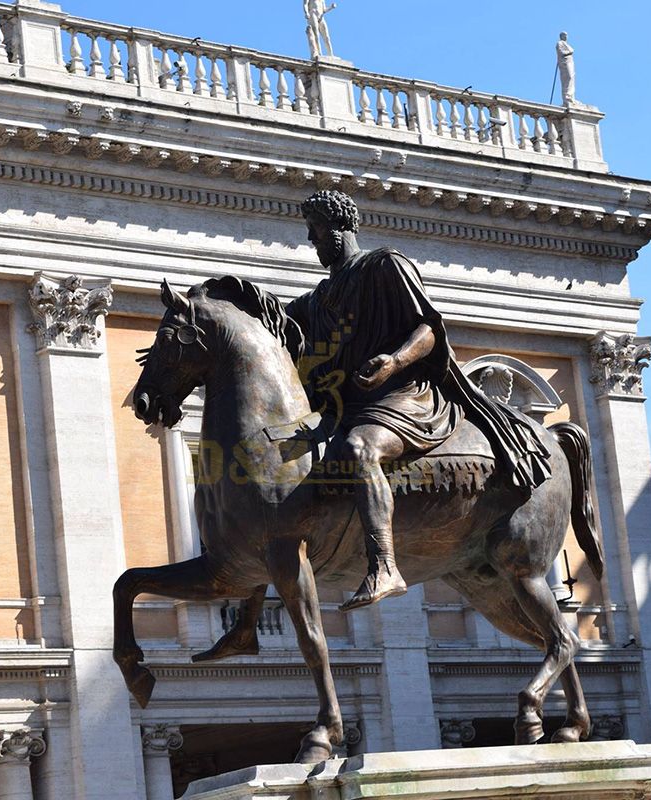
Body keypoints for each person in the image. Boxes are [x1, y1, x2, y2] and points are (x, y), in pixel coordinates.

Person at [192, 191, 552, 660]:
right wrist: (213, 305)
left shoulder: (386, 266)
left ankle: (386, 566)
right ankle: (247, 624)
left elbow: (428, 331)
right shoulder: (318, 298)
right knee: (270, 488)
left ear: (338, 229)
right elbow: (274, 323)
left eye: (317, 233)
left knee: (361, 449)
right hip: (347, 406)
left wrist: (392, 362)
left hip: (403, 397)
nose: (313, 243)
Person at [556, 32, 575, 105]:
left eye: (567, 35)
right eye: (565, 35)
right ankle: (567, 98)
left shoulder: (566, 44)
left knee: (571, 78)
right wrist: (570, 51)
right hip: (564, 62)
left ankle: (571, 98)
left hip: (570, 61)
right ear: (561, 36)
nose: (566, 37)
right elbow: (561, 52)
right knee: (568, 78)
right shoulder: (559, 43)